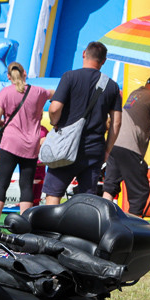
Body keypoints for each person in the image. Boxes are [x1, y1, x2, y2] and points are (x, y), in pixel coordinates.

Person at [43, 42, 122, 204]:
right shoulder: (112, 86)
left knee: (54, 193)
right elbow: (117, 123)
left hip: (65, 147)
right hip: (94, 148)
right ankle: (80, 229)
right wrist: (107, 149)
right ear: (104, 61)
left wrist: (54, 122)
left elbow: (54, 108)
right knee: (87, 198)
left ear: (84, 53)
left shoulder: (69, 77)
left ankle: (49, 229)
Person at [0, 63, 52, 224]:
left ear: (9, 76)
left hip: (9, 142)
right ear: (25, 73)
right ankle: (25, 222)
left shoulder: (5, 92)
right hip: (31, 145)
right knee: (26, 185)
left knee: (1, 184)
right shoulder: (38, 91)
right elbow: (56, 95)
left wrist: (6, 122)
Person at [103, 74, 150, 215]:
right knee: (140, 192)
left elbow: (136, 119)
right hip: (130, 148)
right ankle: (134, 226)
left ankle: (101, 218)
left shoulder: (134, 94)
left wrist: (149, 126)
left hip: (114, 144)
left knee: (110, 186)